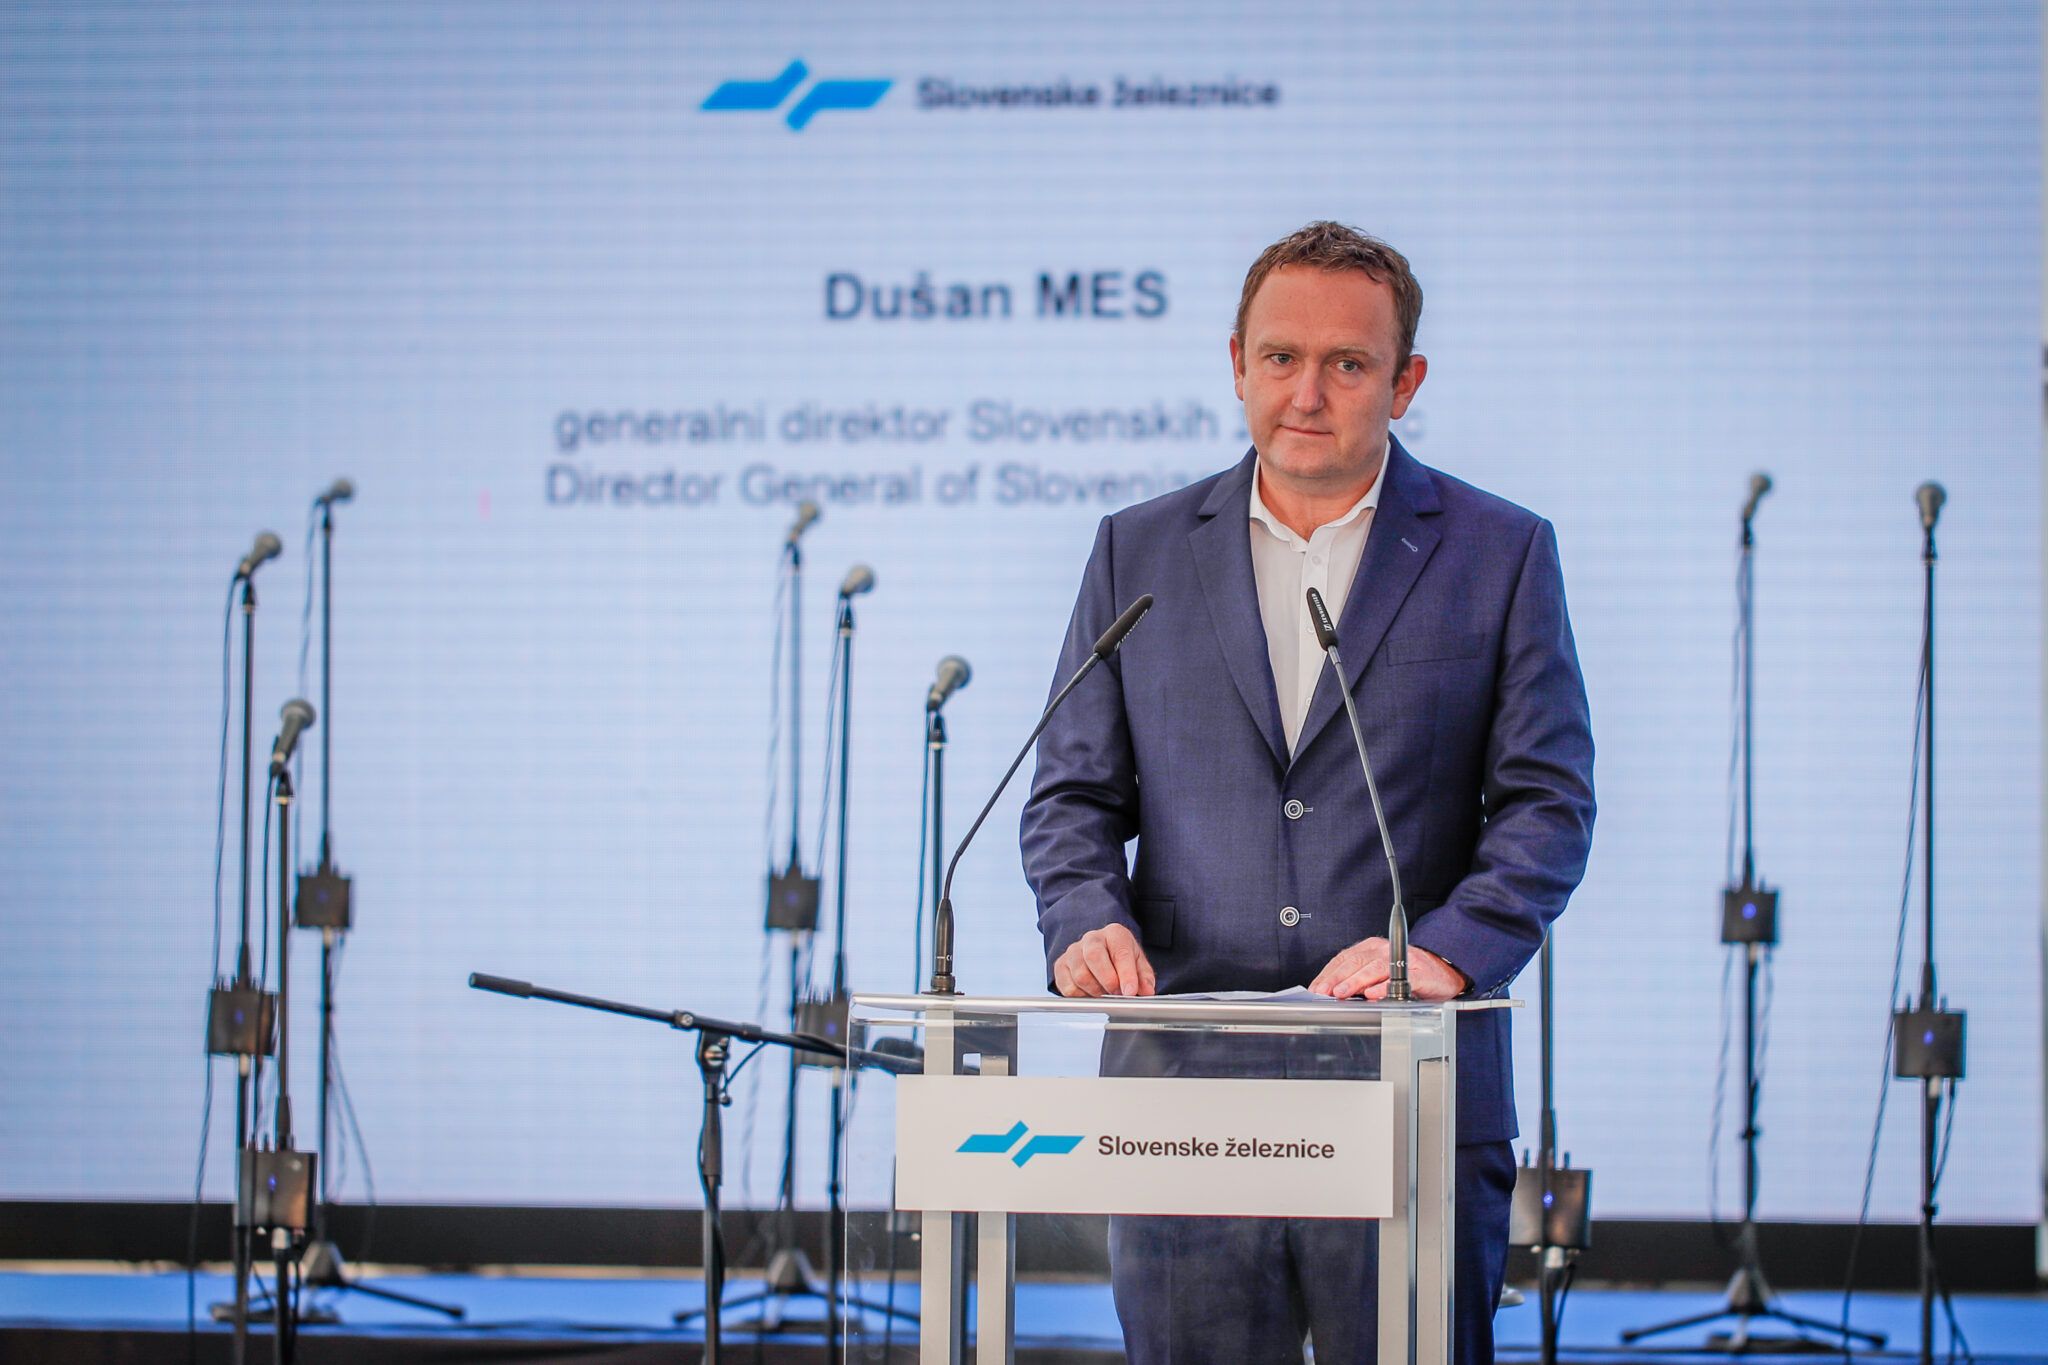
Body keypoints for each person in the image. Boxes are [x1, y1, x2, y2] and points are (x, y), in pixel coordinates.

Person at [1019, 221, 1596, 1364]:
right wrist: (1081, 917)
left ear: (1404, 382)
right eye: (1280, 358)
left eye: (1347, 363)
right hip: (1184, 1094)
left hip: (1408, 1082)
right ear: (1236, 363)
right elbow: (1070, 793)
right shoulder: (1135, 550)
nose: (1306, 393)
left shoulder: (1499, 552)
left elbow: (1546, 802)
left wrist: (1449, 951)